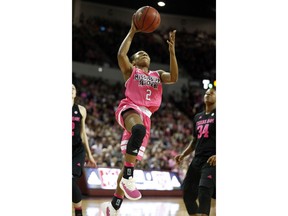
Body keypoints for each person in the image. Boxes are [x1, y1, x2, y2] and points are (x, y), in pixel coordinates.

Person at [100, 14, 178, 216]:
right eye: (139, 53)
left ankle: (113, 206)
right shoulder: (131, 72)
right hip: (130, 108)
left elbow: (175, 77)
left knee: (130, 160)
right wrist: (133, 31)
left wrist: (172, 52)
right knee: (138, 129)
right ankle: (128, 176)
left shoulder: (157, 74)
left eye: (146, 53)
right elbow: (120, 55)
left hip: (146, 116)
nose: (144, 54)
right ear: (134, 61)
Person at [174, 87, 216, 216]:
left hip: (211, 161)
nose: (208, 93)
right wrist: (183, 154)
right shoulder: (198, 117)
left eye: (212, 92)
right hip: (196, 160)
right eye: (206, 93)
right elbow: (194, 141)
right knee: (187, 194)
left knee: (204, 192)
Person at [72, 84, 97, 216]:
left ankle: (79, 213)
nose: (70, 90)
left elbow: (83, 134)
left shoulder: (81, 110)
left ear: (75, 93)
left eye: (73, 88)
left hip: (77, 151)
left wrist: (90, 155)